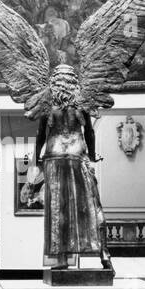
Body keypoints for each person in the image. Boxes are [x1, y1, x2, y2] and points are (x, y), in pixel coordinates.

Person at [34, 65, 107, 270]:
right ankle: (104, 254)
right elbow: (90, 133)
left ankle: (61, 258)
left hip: (54, 156)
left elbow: (40, 135)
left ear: (55, 81)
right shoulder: (81, 101)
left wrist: (34, 164)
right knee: (92, 205)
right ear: (73, 81)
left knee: (58, 208)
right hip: (77, 154)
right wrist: (91, 158)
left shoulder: (47, 103)